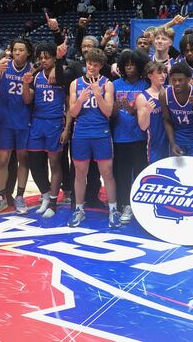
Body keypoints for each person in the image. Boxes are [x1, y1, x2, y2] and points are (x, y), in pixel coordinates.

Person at [67, 48, 120, 228]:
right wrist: (81, 99)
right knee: (80, 173)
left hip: (101, 133)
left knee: (107, 173)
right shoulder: (75, 84)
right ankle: (79, 210)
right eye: (89, 63)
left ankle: (113, 210)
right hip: (81, 133)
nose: (91, 67)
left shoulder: (108, 84)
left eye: (95, 65)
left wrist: (97, 94)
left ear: (100, 66)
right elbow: (72, 112)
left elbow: (108, 113)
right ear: (86, 63)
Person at [22, 42, 68, 217]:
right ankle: (46, 195)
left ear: (54, 58)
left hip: (55, 123)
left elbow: (69, 103)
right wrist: (25, 84)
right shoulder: (36, 77)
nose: (43, 60)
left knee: (54, 163)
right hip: (37, 122)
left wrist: (66, 128)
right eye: (40, 57)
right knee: (33, 161)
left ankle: (54, 203)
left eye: (47, 57)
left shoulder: (62, 76)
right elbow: (27, 100)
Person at [0, 38, 33, 213]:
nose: (17, 53)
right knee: (2, 159)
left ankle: (20, 196)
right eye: (15, 50)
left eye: (21, 50)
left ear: (28, 52)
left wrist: (26, 83)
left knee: (23, 159)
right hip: (4, 120)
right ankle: (0, 197)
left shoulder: (33, 69)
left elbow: (28, 99)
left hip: (23, 120)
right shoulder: (4, 65)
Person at [112, 49, 149, 223]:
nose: (129, 67)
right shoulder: (115, 84)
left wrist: (132, 110)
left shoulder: (145, 84)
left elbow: (148, 111)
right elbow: (108, 113)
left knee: (141, 173)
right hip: (120, 136)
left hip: (140, 137)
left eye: (133, 64)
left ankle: (141, 204)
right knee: (122, 173)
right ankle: (125, 204)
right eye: (126, 64)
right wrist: (114, 109)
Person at [161, 62, 193, 158]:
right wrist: (172, 143)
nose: (176, 83)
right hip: (177, 139)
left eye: (180, 80)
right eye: (174, 80)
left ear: (188, 79)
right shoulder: (164, 95)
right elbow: (167, 120)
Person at [136, 61, 169, 164]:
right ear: (150, 75)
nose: (163, 75)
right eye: (159, 72)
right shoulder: (143, 97)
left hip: (173, 141)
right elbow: (143, 126)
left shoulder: (170, 92)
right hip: (156, 144)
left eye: (164, 72)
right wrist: (147, 112)